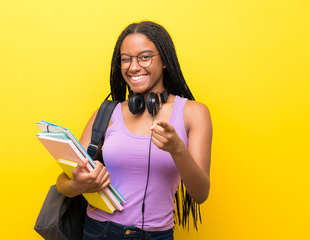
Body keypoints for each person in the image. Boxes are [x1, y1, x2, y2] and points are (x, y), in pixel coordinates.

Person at [56, 21, 212, 240]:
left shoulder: (193, 113)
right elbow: (62, 184)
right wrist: (76, 184)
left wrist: (178, 149)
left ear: (165, 61)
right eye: (126, 59)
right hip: (99, 232)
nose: (133, 67)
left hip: (156, 235)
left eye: (145, 57)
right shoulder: (106, 113)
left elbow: (200, 194)